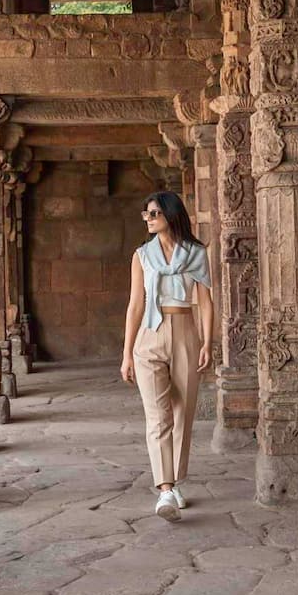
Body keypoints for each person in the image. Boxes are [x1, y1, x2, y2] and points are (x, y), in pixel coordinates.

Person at [119, 190, 213, 523]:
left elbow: (205, 302)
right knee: (157, 415)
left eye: (154, 213)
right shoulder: (141, 256)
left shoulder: (196, 253)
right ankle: (165, 489)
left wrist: (207, 343)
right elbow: (135, 305)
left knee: (182, 412)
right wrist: (127, 353)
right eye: (146, 214)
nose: (148, 219)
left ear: (171, 215)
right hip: (149, 335)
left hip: (185, 330)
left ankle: (174, 480)